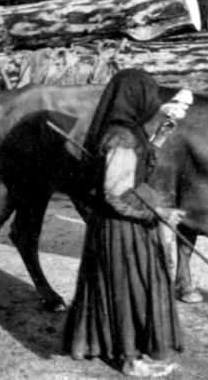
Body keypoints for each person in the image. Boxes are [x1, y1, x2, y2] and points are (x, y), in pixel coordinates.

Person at [64, 69, 189, 377]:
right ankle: (130, 360)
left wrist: (157, 138)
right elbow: (116, 195)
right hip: (121, 229)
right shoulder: (121, 135)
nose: (153, 100)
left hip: (122, 226)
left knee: (130, 288)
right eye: (149, 93)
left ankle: (129, 352)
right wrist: (158, 212)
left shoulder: (125, 130)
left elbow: (131, 172)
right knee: (127, 288)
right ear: (135, 96)